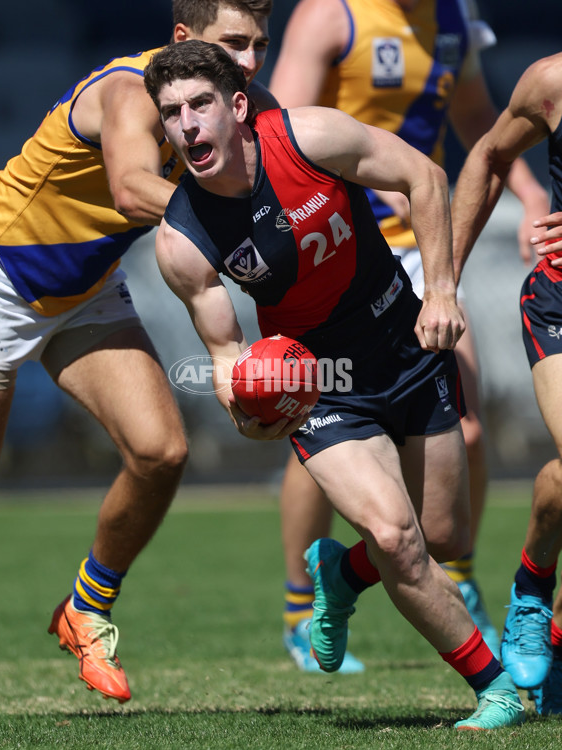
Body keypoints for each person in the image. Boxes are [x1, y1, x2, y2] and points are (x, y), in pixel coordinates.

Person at [145, 38, 525, 730]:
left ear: (235, 106)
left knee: (442, 538)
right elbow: (227, 355)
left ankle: (343, 575)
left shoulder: (308, 135)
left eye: (200, 104)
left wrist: (439, 290)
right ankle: (494, 688)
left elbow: (425, 179)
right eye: (171, 114)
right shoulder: (184, 240)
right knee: (397, 538)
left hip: (407, 344)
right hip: (322, 385)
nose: (189, 124)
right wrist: (249, 411)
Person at [0, 0, 274, 704]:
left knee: (162, 452)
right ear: (182, 40)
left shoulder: (237, 101)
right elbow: (133, 187)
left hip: (86, 290)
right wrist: (241, 228)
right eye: (234, 44)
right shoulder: (129, 91)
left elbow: (292, 163)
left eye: (259, 45)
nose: (250, 62)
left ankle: (85, 609)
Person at [267, 0, 550, 671]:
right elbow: (276, 141)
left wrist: (529, 192)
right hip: (337, 252)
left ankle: (453, 569)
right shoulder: (330, 16)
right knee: (321, 427)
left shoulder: (455, 17)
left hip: (424, 245)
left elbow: (479, 119)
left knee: (469, 429)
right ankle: (299, 610)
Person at [452, 51, 562, 716]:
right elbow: (489, 153)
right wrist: (442, 284)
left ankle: (546, 624)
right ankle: (532, 588)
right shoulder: (551, 82)